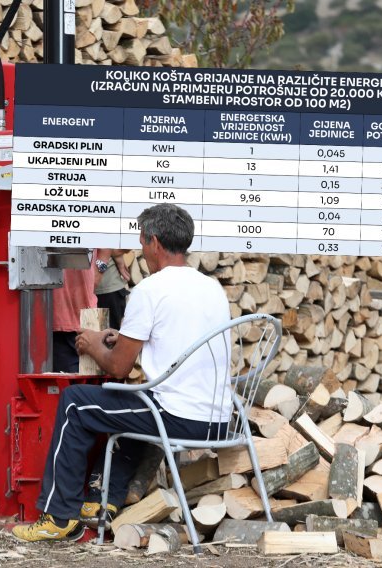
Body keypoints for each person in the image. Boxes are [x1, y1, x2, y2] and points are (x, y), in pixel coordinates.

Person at [12, 204, 232, 542]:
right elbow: (174, 336)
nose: (140, 250)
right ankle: (104, 500)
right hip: (220, 419)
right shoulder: (211, 287)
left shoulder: (151, 289)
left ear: (154, 241)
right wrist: (116, 338)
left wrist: (91, 344)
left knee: (75, 403)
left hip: (179, 416)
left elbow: (118, 366)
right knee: (133, 404)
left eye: (142, 241)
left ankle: (58, 515)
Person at [94, 249, 130, 330]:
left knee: (109, 337)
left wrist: (110, 250)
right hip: (81, 290)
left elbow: (129, 244)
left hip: (108, 290)